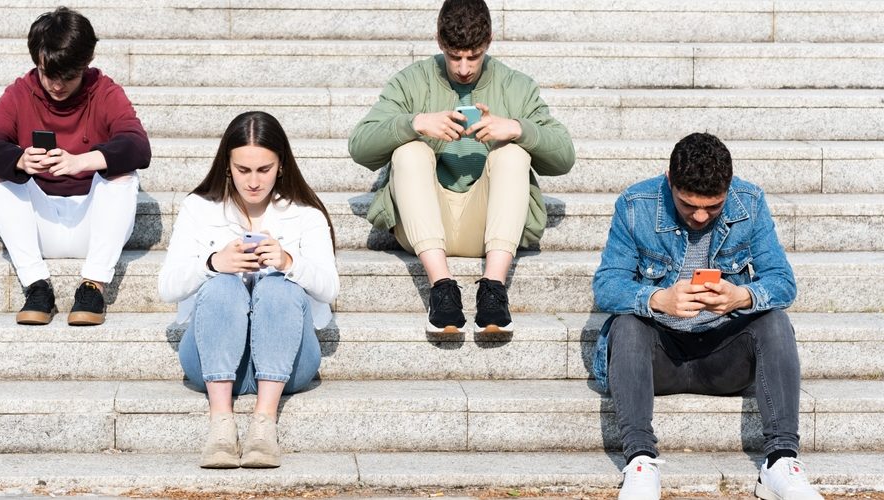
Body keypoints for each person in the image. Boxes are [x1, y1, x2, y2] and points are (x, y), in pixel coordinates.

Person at [591, 133, 823, 500]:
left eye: (713, 208)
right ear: (670, 180)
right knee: (627, 324)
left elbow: (783, 282)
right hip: (658, 356)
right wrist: (657, 299)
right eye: (688, 206)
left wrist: (741, 296)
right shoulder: (636, 204)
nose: (700, 217)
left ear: (728, 189)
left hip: (723, 357)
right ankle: (640, 460)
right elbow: (606, 285)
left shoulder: (750, 202)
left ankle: (781, 461)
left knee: (774, 320)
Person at [347, 0, 575, 335]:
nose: (464, 68)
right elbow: (360, 147)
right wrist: (415, 123)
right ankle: (442, 288)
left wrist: (517, 129)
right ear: (440, 42)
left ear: (489, 42)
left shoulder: (516, 86)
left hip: (488, 228)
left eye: (473, 56)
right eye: (455, 56)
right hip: (423, 225)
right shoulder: (412, 81)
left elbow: (565, 157)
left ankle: (494, 289)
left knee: (512, 154)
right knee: (409, 151)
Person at [158, 111, 339, 469]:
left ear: (281, 166)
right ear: (227, 166)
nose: (254, 182)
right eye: (243, 170)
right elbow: (167, 287)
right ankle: (221, 425)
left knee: (278, 287)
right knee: (222, 284)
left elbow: (330, 288)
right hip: (211, 361)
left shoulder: (305, 215)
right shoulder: (199, 208)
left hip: (290, 363)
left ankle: (263, 424)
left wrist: (289, 262)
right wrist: (212, 263)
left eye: (264, 170)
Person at [0, 6, 151, 326]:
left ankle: (93, 286)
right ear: (36, 63)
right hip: (39, 224)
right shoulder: (19, 93)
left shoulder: (105, 91)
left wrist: (82, 160)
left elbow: (138, 146)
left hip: (94, 225)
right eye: (48, 74)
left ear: (86, 63)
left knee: (123, 175)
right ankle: (37, 287)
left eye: (68, 76)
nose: (56, 85)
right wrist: (20, 160)